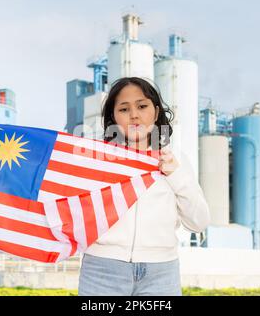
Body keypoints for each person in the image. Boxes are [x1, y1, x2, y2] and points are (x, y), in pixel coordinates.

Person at [78, 77, 211, 296]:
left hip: (161, 273)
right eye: (123, 108)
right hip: (102, 270)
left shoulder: (176, 160)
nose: (134, 115)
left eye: (142, 106)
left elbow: (199, 222)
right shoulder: (96, 159)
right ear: (113, 116)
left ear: (156, 112)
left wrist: (175, 175)